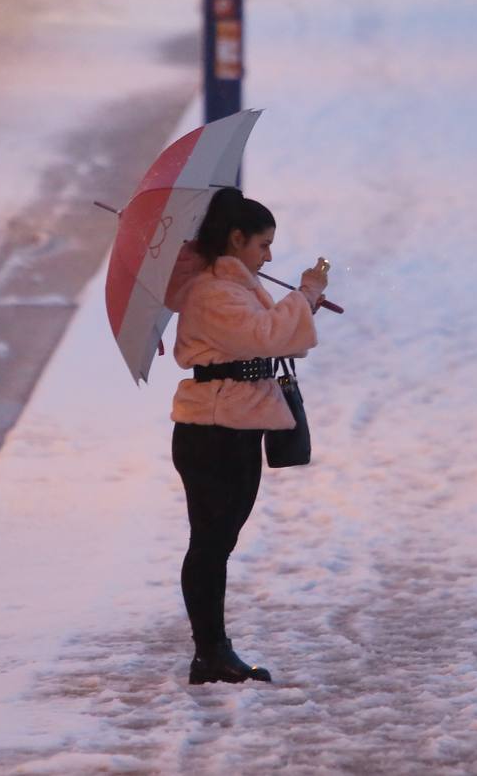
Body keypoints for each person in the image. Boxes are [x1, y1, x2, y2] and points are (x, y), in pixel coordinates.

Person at [164, 187, 329, 685]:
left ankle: (211, 651)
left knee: (217, 542)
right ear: (236, 239)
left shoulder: (232, 287)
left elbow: (265, 333)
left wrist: (303, 305)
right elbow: (264, 336)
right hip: (213, 431)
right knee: (211, 545)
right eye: (263, 244)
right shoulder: (214, 292)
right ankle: (210, 653)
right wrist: (303, 294)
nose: (270, 255)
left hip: (231, 427)